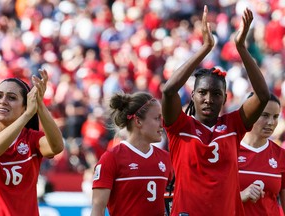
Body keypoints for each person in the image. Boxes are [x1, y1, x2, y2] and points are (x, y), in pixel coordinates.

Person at [161, 5, 270, 216]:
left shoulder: (233, 125)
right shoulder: (179, 125)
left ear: (225, 99)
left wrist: (241, 48)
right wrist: (205, 47)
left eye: (216, 94)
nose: (209, 99)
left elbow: (263, 96)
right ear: (192, 95)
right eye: (202, 92)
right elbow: (168, 90)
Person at [91, 91, 173, 216]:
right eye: (157, 118)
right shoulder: (111, 159)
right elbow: (98, 210)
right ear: (138, 121)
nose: (162, 124)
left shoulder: (166, 158)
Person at [0, 69, 64, 216]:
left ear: (24, 107)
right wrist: (28, 114)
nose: (2, 101)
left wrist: (39, 104)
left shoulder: (31, 139)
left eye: (12, 97)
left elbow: (57, 147)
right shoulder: (26, 115)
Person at [239, 93, 285, 215]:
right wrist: (239, 197)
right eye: (264, 115)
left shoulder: (281, 155)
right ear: (249, 113)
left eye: (275, 117)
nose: (271, 122)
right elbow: (212, 199)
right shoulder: (228, 150)